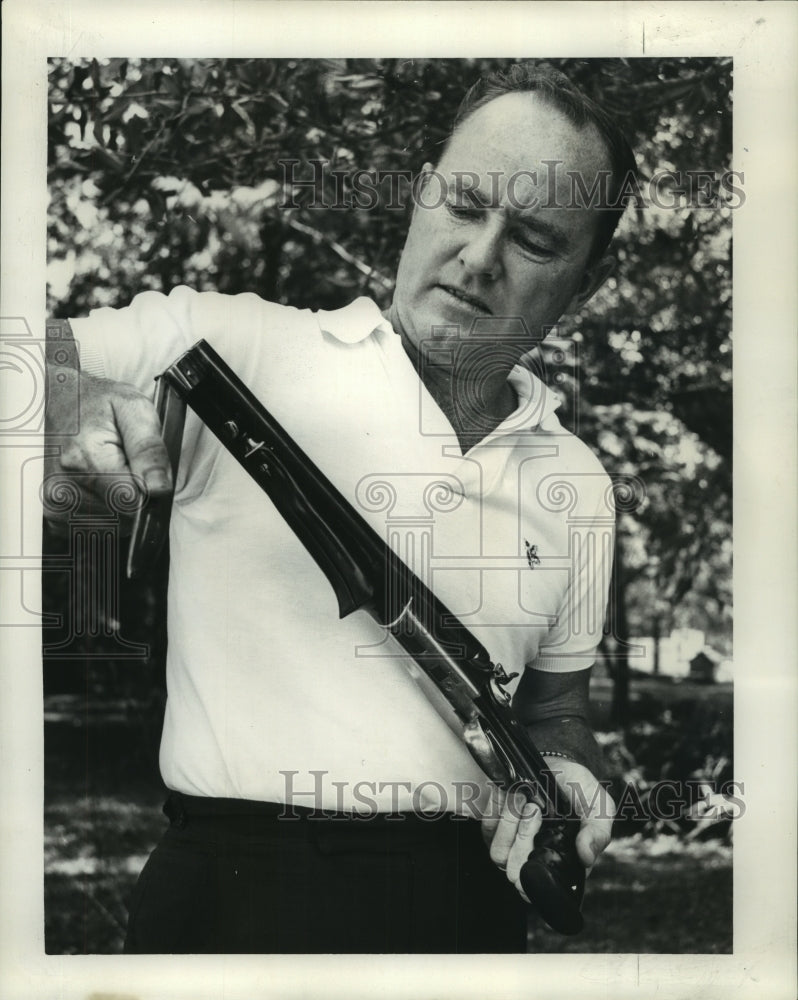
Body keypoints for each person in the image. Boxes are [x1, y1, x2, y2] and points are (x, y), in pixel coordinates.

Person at [45, 63, 634, 953]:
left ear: (584, 285)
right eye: (466, 203)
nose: (480, 256)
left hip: (470, 917)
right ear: (421, 195)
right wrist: (69, 404)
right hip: (235, 896)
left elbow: (557, 713)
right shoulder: (231, 343)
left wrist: (568, 775)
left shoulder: (581, 483)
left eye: (537, 241)